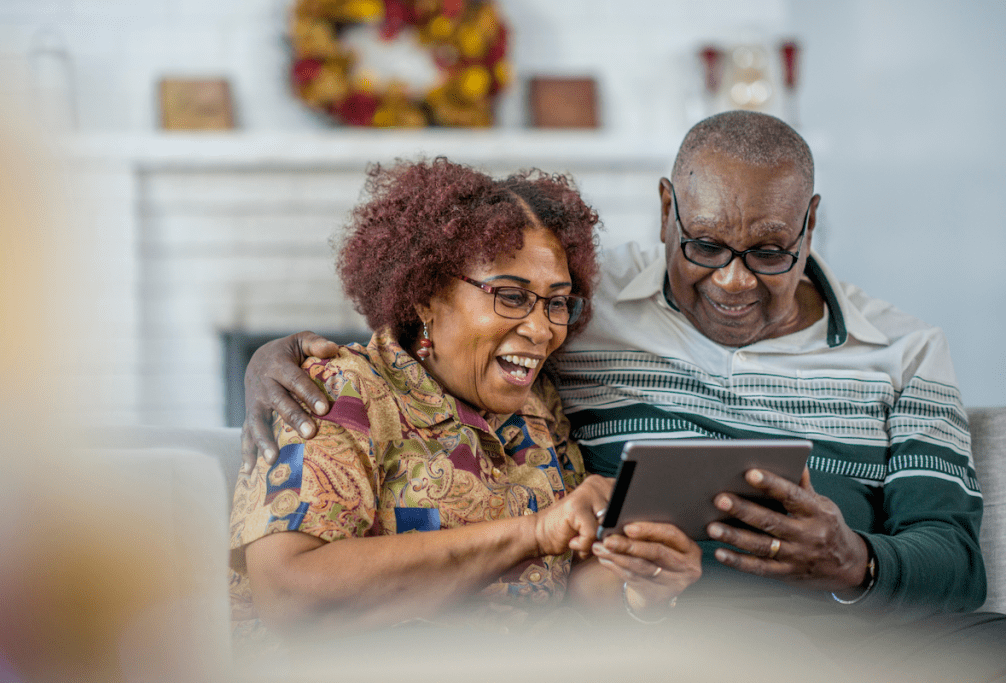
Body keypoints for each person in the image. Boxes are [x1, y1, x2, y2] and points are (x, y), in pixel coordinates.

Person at [240, 114, 1005, 675]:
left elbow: (955, 560)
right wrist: (274, 358)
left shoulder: (905, 349)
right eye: (705, 245)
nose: (735, 280)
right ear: (668, 210)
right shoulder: (585, 314)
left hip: (816, 632)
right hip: (670, 646)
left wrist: (850, 559)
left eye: (771, 251)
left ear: (810, 224)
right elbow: (421, 340)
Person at [228, 158, 702, 648]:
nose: (542, 329)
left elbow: (570, 584)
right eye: (511, 295)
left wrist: (641, 582)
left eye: (556, 301)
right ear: (426, 296)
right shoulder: (343, 391)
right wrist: (532, 532)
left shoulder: (538, 412)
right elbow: (290, 595)